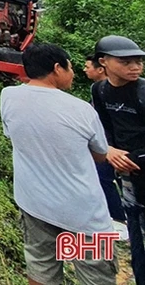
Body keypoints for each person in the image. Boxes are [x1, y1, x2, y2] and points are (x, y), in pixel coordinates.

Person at [2, 43, 116, 285]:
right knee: (95, 276)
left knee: (41, 271)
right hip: (84, 215)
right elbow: (100, 155)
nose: (73, 73)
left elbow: (13, 134)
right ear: (57, 68)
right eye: (71, 67)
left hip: (34, 205)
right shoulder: (81, 110)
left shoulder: (8, 96)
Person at [92, 35, 145, 283]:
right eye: (126, 62)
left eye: (138, 62)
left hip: (137, 163)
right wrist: (110, 150)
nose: (135, 67)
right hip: (125, 172)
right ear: (104, 62)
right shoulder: (100, 90)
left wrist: (133, 158)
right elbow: (104, 126)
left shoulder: (142, 92)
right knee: (134, 228)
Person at [85, 54, 129, 240]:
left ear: (101, 68)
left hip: (113, 147)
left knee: (106, 180)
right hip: (106, 145)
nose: (85, 69)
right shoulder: (98, 90)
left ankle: (119, 220)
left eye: (88, 66)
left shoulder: (118, 93)